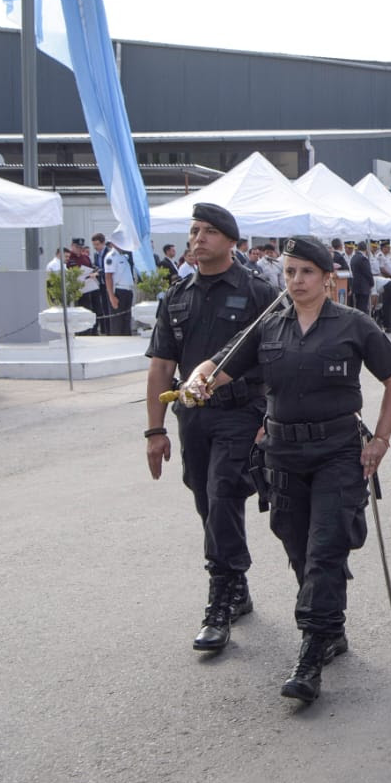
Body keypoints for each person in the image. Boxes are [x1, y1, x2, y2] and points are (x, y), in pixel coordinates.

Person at [180, 234, 391, 705]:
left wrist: (382, 439)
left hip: (338, 453)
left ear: (327, 277)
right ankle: (331, 628)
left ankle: (311, 648)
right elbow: (219, 366)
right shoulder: (269, 327)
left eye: (306, 272)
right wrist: (198, 380)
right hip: (282, 456)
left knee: (326, 547)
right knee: (297, 544)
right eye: (289, 272)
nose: (296, 281)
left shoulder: (354, 325)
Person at [144, 204, 278, 652]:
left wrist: (271, 419)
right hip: (192, 415)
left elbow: (276, 358)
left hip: (242, 412)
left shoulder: (258, 291)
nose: (198, 239)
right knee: (205, 497)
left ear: (231, 242)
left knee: (223, 492)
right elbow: (163, 365)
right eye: (194, 230)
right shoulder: (177, 295)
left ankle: (220, 597)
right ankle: (236, 584)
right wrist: (154, 430)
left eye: (209, 232)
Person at [102, 237, 136, 335]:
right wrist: (112, 296)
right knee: (117, 322)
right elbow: (108, 277)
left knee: (126, 320)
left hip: (127, 291)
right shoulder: (111, 256)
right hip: (118, 291)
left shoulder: (123, 256)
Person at [346, 240, 373, 315]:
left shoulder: (353, 258)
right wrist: (372, 283)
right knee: (363, 307)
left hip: (356, 285)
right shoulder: (363, 259)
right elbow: (368, 273)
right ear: (366, 249)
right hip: (363, 286)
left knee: (358, 307)